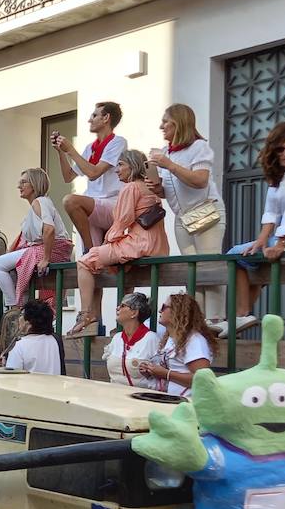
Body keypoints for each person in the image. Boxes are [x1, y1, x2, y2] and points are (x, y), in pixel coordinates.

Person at [218, 122, 285, 337]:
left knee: (235, 255)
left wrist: (280, 243)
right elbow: (272, 209)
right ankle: (242, 316)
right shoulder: (282, 172)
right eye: (280, 149)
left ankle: (242, 315)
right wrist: (261, 239)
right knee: (248, 255)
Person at [68, 151, 170, 336]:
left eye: (121, 164)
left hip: (139, 244)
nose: (117, 170)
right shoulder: (150, 189)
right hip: (157, 246)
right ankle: (125, 323)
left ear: (132, 166)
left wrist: (106, 243)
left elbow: (122, 220)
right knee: (123, 268)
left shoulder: (131, 188)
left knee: (85, 261)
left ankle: (86, 315)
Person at [148, 103, 227, 319]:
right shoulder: (166, 152)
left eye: (166, 122)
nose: (161, 126)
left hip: (204, 211)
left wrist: (169, 165)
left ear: (179, 123)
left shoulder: (199, 147)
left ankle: (216, 320)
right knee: (192, 273)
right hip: (182, 218)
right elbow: (172, 188)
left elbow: (200, 181)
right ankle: (197, 321)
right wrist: (158, 188)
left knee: (208, 270)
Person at [55, 101, 128, 253]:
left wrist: (71, 150)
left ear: (106, 118)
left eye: (94, 115)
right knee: (90, 266)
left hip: (111, 204)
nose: (89, 120)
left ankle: (89, 251)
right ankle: (90, 255)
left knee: (70, 201)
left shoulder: (118, 142)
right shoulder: (90, 148)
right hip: (94, 206)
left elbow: (94, 173)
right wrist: (61, 152)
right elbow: (68, 176)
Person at [0, 168, 68, 309]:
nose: (19, 186)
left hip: (50, 250)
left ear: (34, 184)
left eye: (23, 182)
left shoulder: (40, 202)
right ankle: (21, 306)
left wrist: (45, 259)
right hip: (50, 249)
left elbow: (49, 229)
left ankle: (13, 307)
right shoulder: (40, 203)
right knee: (13, 267)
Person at [138, 292, 216, 396]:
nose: (160, 310)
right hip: (172, 402)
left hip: (188, 404)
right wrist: (151, 372)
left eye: (164, 307)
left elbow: (202, 379)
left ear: (177, 311)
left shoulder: (194, 340)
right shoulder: (169, 339)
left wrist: (166, 374)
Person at [103, 291, 164, 389]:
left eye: (122, 306)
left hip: (141, 399)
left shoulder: (151, 339)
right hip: (114, 397)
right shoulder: (117, 338)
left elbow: (161, 375)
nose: (117, 308)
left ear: (134, 313)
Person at [3, 298, 65, 374]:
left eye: (22, 315)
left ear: (28, 324)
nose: (19, 318)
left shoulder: (19, 346)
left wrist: (4, 365)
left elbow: (11, 377)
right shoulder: (56, 340)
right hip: (55, 385)